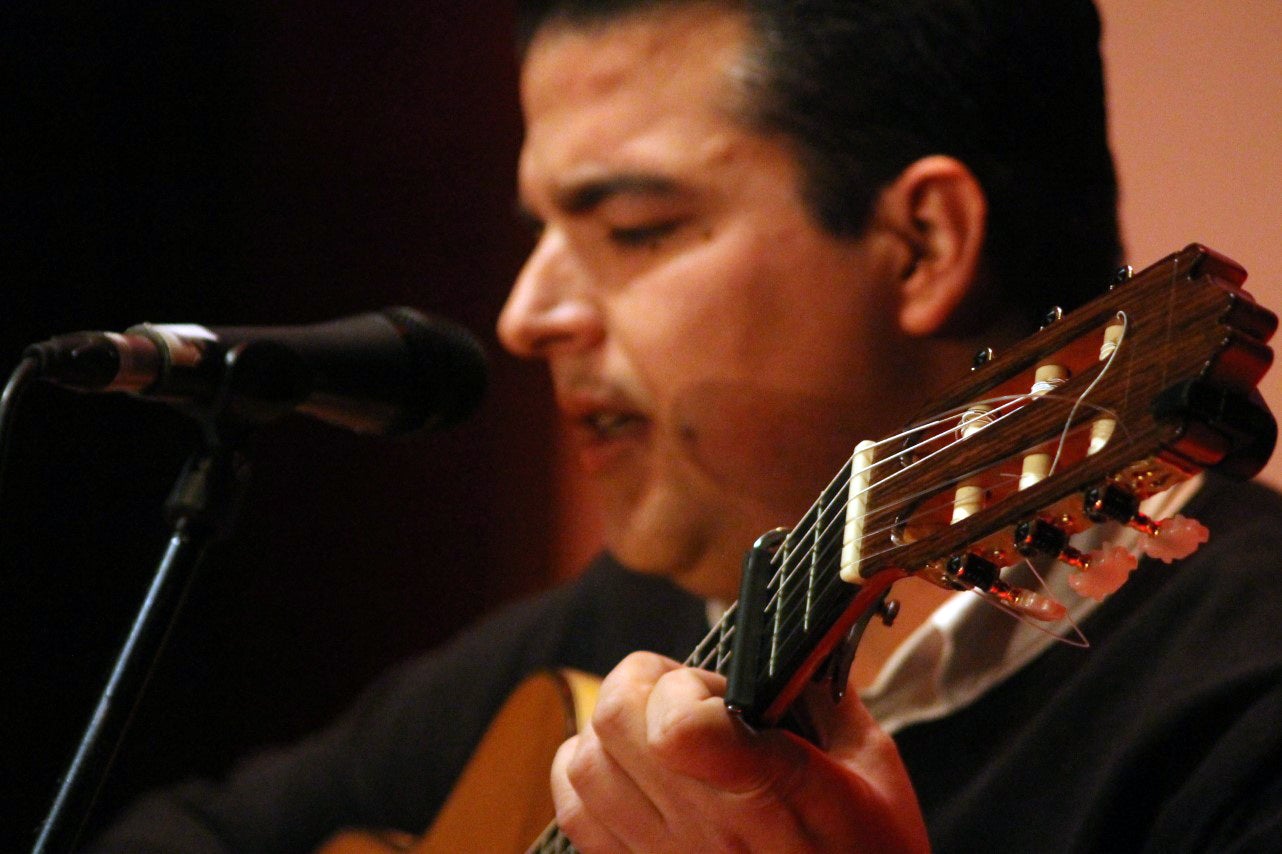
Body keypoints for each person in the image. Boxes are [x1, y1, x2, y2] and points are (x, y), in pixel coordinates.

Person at [95, 0, 1282, 851]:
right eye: (539, 233)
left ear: (920, 242)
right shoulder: (614, 633)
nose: (524, 316)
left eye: (635, 227)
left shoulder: (1241, 716)